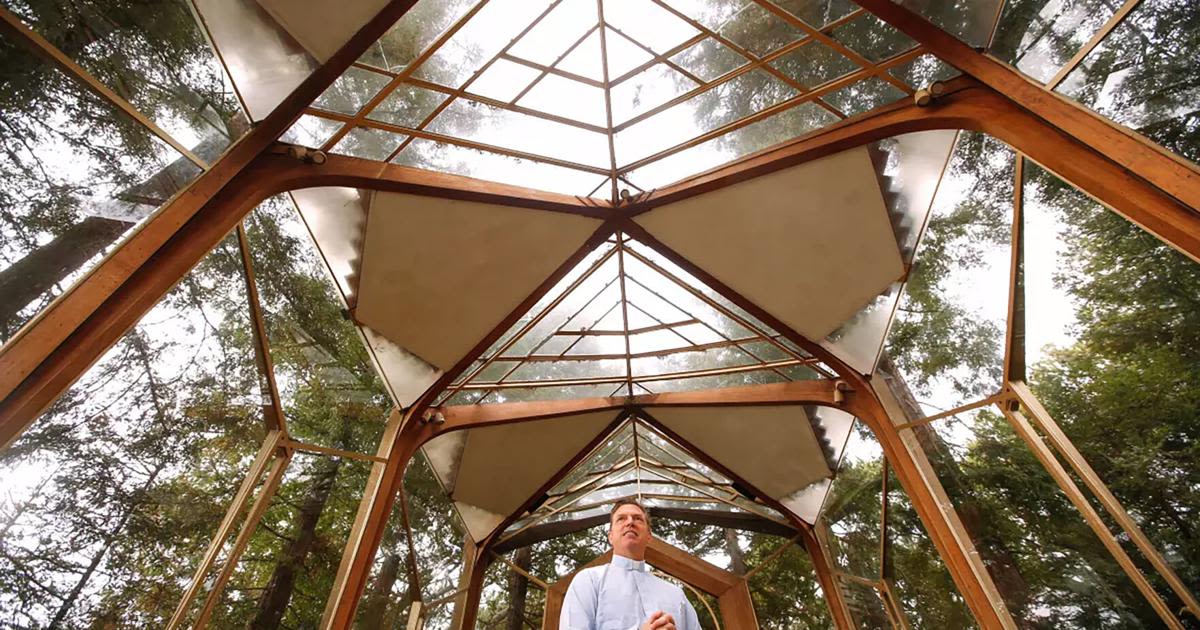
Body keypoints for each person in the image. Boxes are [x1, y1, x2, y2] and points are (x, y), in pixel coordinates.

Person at [560, 498, 701, 630]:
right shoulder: (588, 581)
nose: (630, 522)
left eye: (638, 519)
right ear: (610, 536)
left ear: (649, 536)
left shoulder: (677, 595)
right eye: (621, 519)